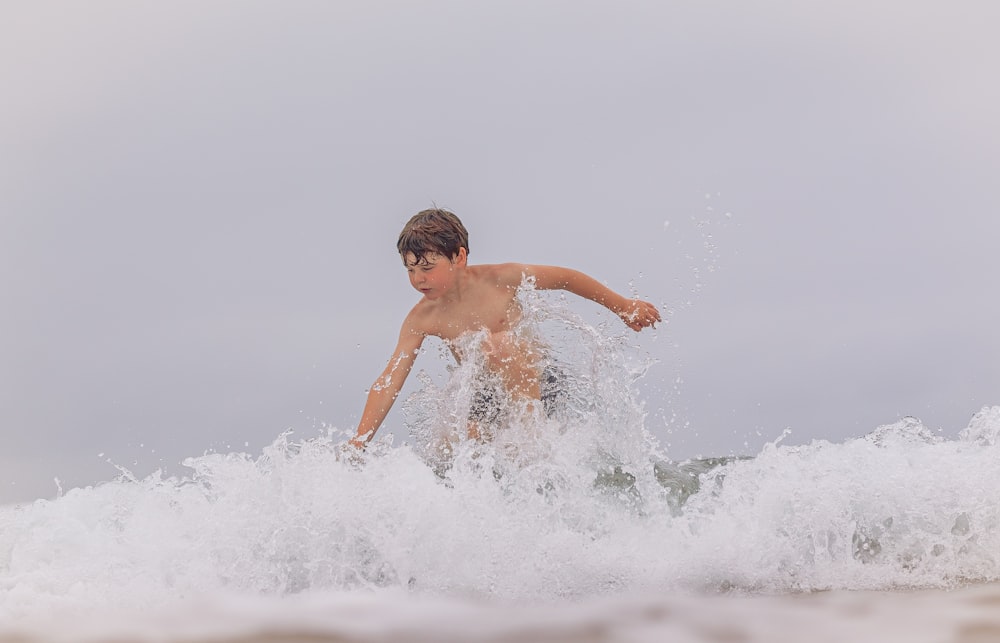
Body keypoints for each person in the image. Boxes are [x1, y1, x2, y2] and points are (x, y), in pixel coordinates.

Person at [349, 208, 661, 449]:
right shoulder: (422, 318)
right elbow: (389, 381)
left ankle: (536, 445)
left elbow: (567, 277)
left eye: (428, 267)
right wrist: (359, 441)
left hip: (539, 380)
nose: (418, 279)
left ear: (459, 256)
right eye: (411, 269)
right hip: (487, 394)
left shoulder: (500, 279)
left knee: (497, 344)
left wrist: (621, 305)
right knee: (456, 441)